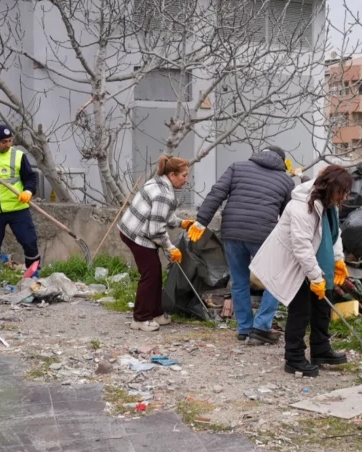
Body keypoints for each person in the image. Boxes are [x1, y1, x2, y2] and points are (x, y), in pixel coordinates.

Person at [251, 166, 353, 377]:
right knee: (301, 311)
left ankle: (321, 349)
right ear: (329, 187)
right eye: (341, 191)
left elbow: (335, 235)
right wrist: (315, 277)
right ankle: (294, 358)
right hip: (296, 266)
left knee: (322, 307)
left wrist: (338, 260)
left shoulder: (329, 205)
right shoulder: (301, 207)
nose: (343, 196)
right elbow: (301, 246)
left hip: (318, 263)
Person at [188, 146, 293, 343]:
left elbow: (217, 193)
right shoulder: (286, 180)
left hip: (232, 231)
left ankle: (244, 328)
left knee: (239, 281)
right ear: (281, 161)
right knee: (275, 281)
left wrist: (201, 221)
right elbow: (289, 214)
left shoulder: (237, 167)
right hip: (264, 234)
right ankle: (261, 328)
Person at [119, 155, 190, 332]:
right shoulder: (163, 193)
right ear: (172, 174)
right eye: (184, 176)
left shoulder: (157, 182)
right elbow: (156, 230)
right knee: (150, 275)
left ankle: (157, 313)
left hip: (130, 228)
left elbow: (161, 214)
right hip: (138, 235)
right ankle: (140, 319)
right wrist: (171, 248)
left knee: (155, 274)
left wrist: (182, 223)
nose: (186, 180)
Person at [0, 124, 40, 300]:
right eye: (4, 141)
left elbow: (31, 178)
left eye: (10, 140)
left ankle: (34, 279)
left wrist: (28, 191)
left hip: (17, 208)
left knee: (29, 242)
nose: (8, 144)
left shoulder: (18, 156)